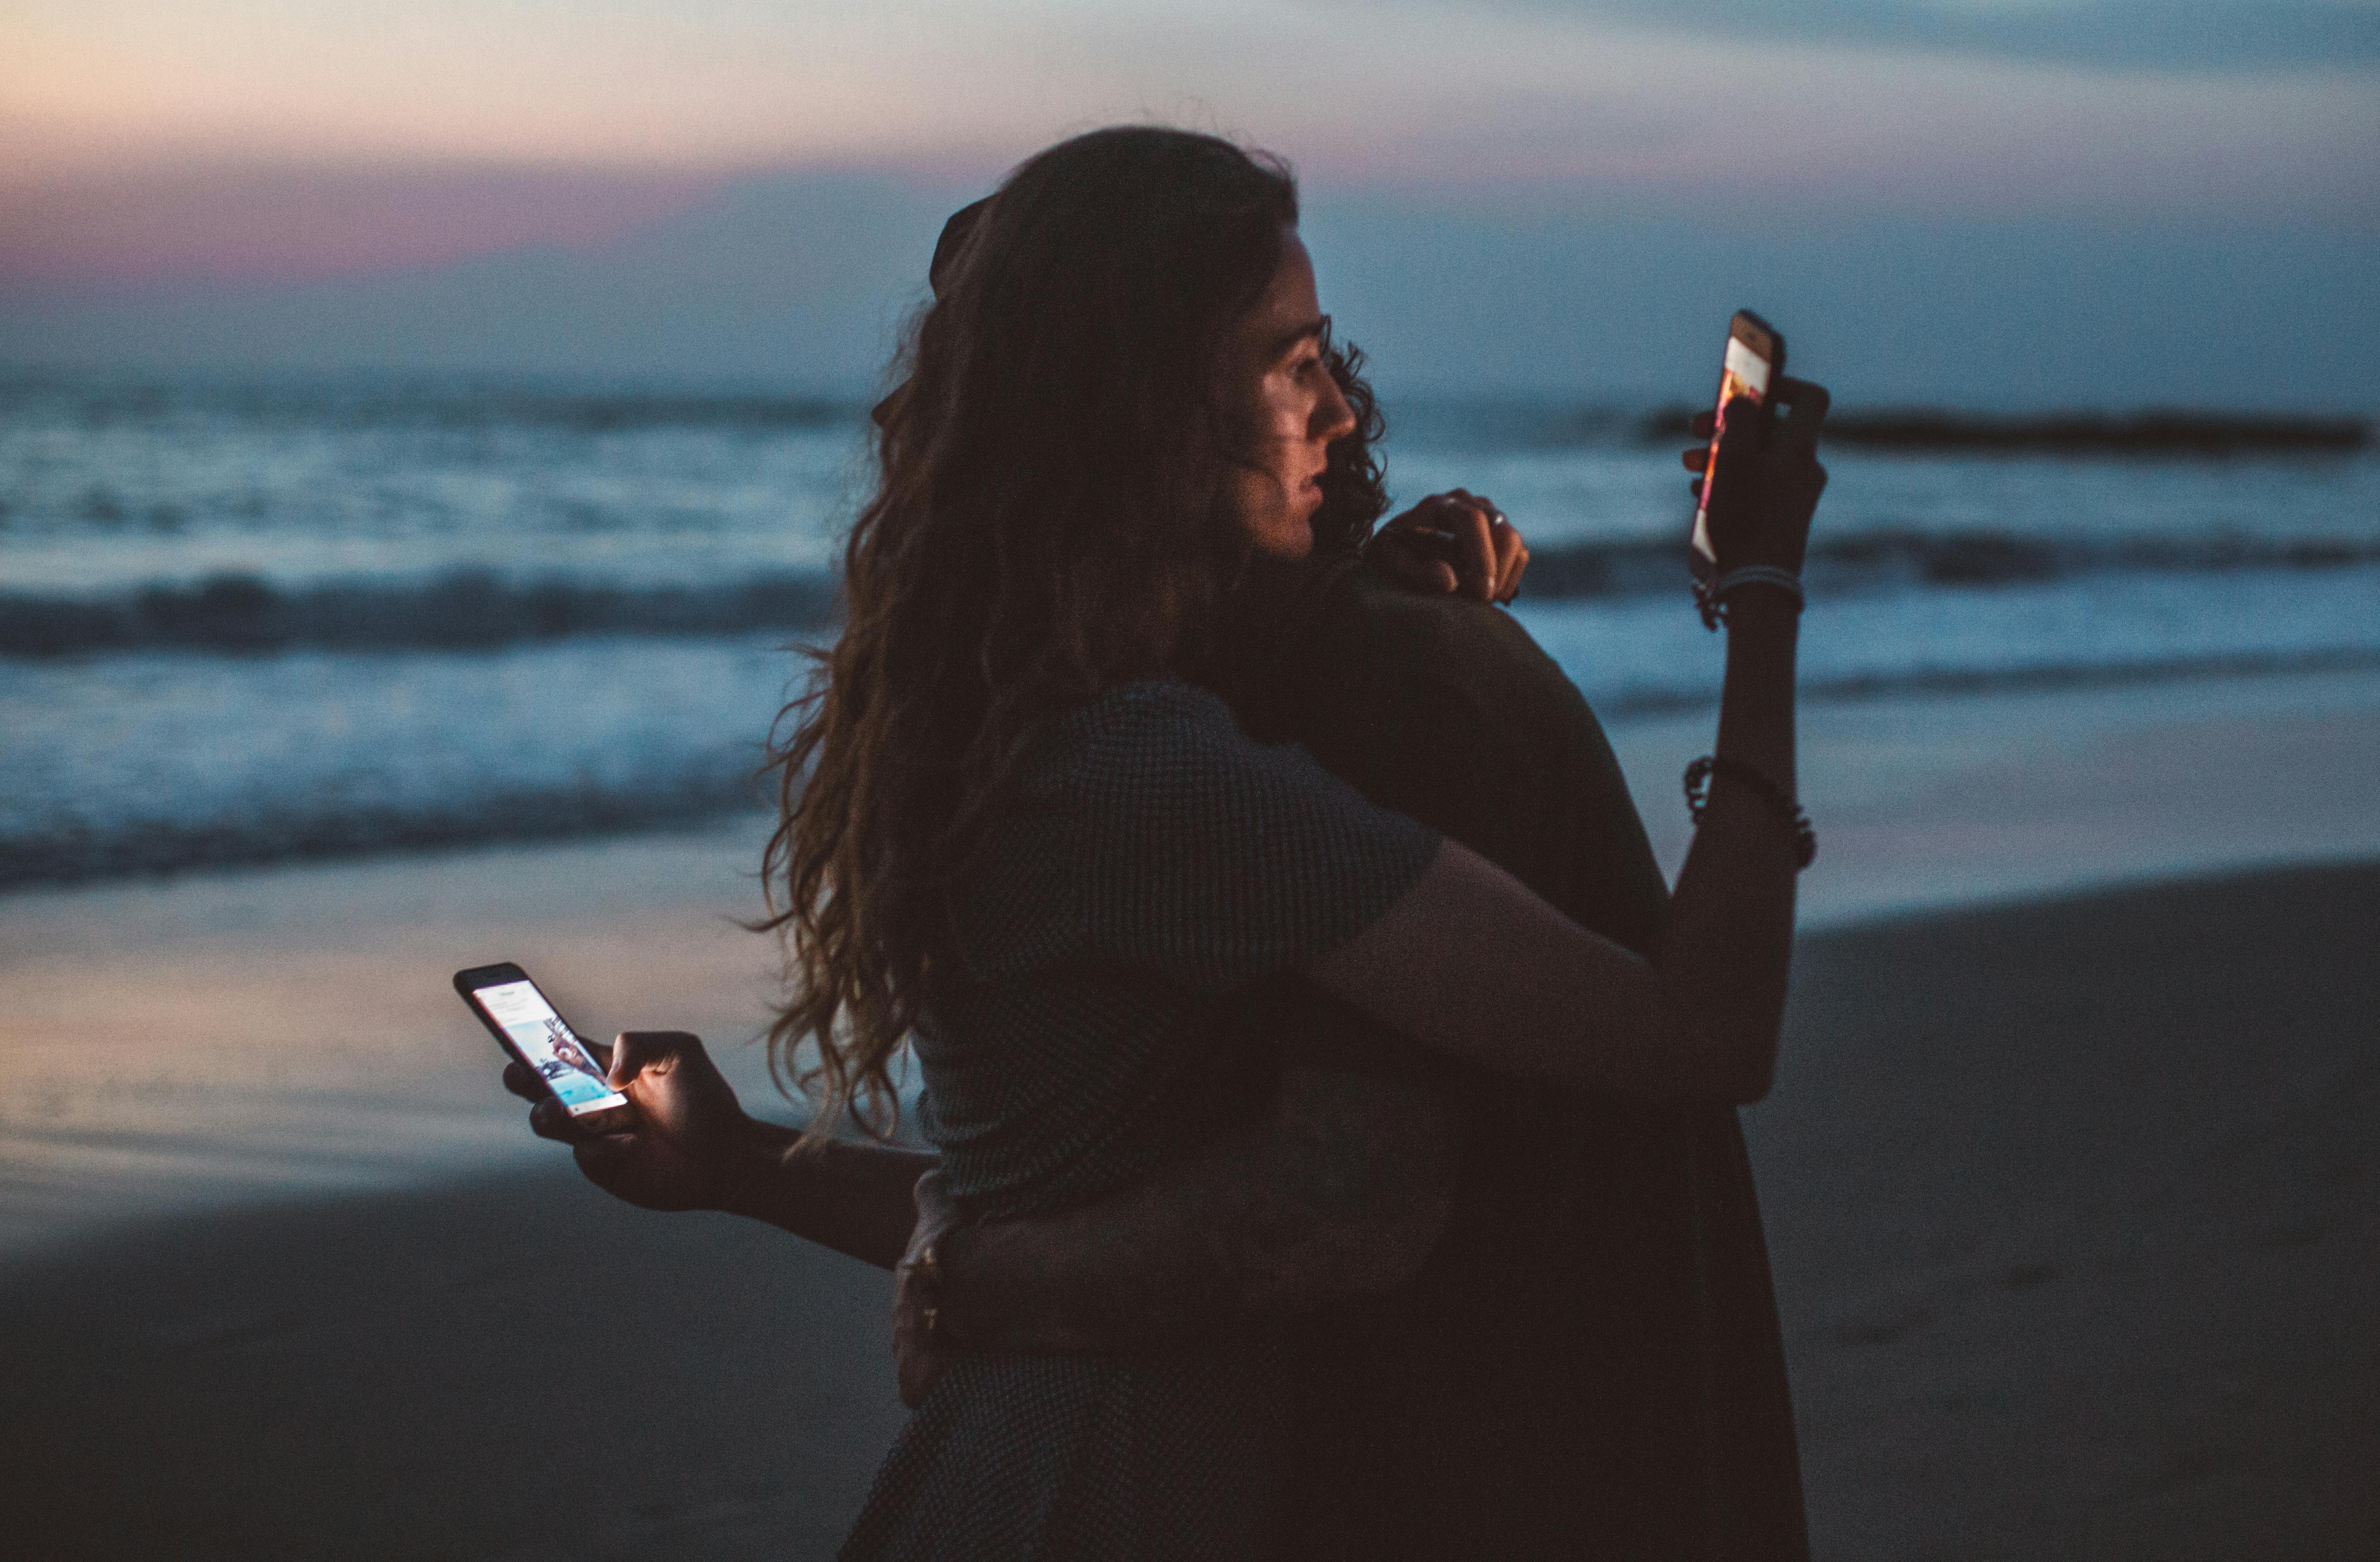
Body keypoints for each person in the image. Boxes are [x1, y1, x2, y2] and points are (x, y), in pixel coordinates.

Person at [505, 125, 1827, 1559]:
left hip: (1030, 1468)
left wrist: (739, 1166)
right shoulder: (1156, 775)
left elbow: (1032, 1219)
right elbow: (1703, 1030)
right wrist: (1762, 592)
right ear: (1144, 407)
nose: (1341, 407)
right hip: (1096, 1497)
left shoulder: (1027, 723)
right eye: (1292, 359)